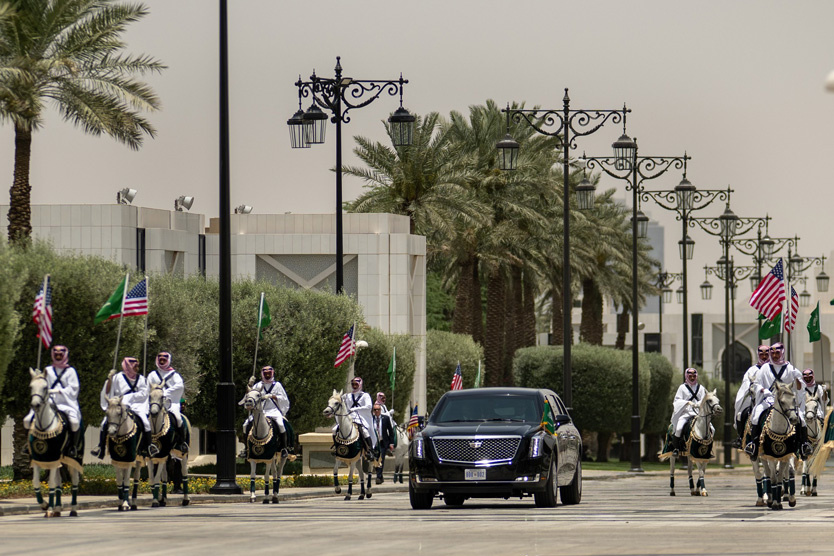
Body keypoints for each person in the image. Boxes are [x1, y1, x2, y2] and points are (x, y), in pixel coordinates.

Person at [745, 342, 811, 459]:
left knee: (801, 418)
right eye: (773, 353)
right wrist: (763, 390)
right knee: (756, 415)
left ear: (782, 353)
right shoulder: (765, 368)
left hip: (786, 401)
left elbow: (800, 387)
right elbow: (756, 383)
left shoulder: (790, 369)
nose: (775, 355)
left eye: (777, 353)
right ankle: (753, 445)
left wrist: (798, 381)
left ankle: (803, 445)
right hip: (769, 400)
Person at [24, 345, 82, 458]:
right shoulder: (48, 370)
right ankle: (28, 445)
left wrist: (58, 391)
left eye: (61, 354)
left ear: (65, 355)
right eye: (56, 354)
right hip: (48, 402)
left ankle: (72, 447)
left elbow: (74, 388)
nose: (58, 356)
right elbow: (41, 385)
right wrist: (37, 376)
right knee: (27, 420)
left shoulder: (70, 371)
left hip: (66, 403)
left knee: (74, 423)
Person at [91, 357, 154, 458]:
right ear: (128, 366)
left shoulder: (142, 379)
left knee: (146, 423)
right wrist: (109, 380)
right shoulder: (117, 377)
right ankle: (100, 447)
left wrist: (128, 397)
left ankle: (148, 447)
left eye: (137, 365)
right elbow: (108, 391)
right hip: (119, 405)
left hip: (137, 405)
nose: (137, 367)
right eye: (134, 365)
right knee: (104, 422)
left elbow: (144, 394)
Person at [244, 365, 290, 457]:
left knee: (281, 425)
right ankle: (246, 449)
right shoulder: (257, 385)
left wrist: (272, 396)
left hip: (274, 410)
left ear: (272, 373)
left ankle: (284, 448)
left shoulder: (277, 385)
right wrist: (249, 385)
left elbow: (284, 398)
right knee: (245, 425)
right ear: (262, 374)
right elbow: (249, 395)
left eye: (269, 373)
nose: (267, 375)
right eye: (265, 373)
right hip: (261, 410)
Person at [147, 351, 188, 452]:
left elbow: (180, 386)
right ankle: (144, 444)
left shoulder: (174, 375)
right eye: (160, 360)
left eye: (164, 360)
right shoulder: (152, 375)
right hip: (155, 403)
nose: (162, 361)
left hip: (171, 403)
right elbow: (147, 387)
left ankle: (181, 443)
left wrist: (165, 392)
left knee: (178, 419)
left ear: (168, 360)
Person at [732, 345, 771, 448]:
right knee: (741, 415)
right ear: (758, 355)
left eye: (766, 354)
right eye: (761, 354)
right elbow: (745, 384)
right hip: (755, 398)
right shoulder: (752, 370)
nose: (764, 357)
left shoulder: (773, 368)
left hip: (772, 398)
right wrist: (752, 387)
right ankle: (741, 439)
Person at [669, 368, 705, 456]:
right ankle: (676, 448)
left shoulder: (701, 388)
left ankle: (706, 448)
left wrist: (698, 404)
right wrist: (687, 402)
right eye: (690, 376)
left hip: (697, 414)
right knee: (679, 428)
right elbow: (677, 400)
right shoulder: (682, 388)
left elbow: (704, 400)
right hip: (686, 413)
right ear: (687, 376)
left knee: (712, 429)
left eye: (694, 376)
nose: (692, 378)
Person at [341, 376, 376, 457]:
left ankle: (370, 450)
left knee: (364, 431)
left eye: (356, 384)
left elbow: (369, 406)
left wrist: (356, 408)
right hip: (349, 417)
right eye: (353, 384)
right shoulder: (347, 396)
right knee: (335, 429)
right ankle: (337, 448)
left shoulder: (365, 395)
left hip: (361, 418)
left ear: (360, 385)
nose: (354, 386)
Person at [372, 403, 394, 484]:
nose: (377, 411)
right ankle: (380, 476)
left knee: (381, 459)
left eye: (378, 409)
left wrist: (391, 443)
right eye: (375, 410)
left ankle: (378, 477)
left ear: (380, 410)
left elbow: (391, 431)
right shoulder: (371, 419)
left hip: (383, 442)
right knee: (375, 459)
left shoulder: (386, 418)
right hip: (374, 442)